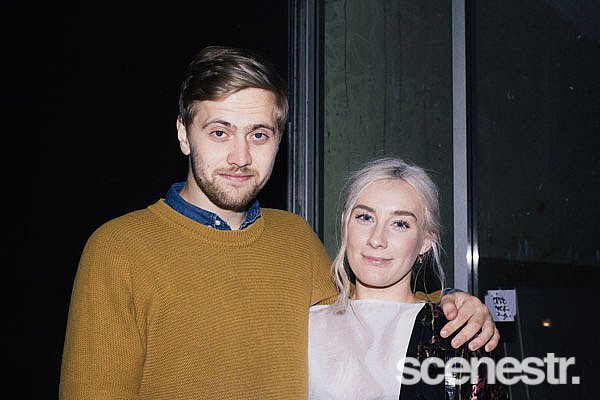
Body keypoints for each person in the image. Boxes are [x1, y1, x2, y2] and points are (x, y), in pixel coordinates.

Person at [59, 46, 499, 400]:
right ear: (183, 134)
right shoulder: (119, 248)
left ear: (278, 141)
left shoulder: (295, 239)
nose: (240, 156)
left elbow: (367, 314)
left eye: (258, 134)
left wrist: (453, 306)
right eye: (219, 132)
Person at [308, 157, 508, 399]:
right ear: (345, 224)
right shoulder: (305, 325)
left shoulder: (459, 334)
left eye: (400, 224)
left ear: (426, 241)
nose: (377, 239)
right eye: (365, 217)